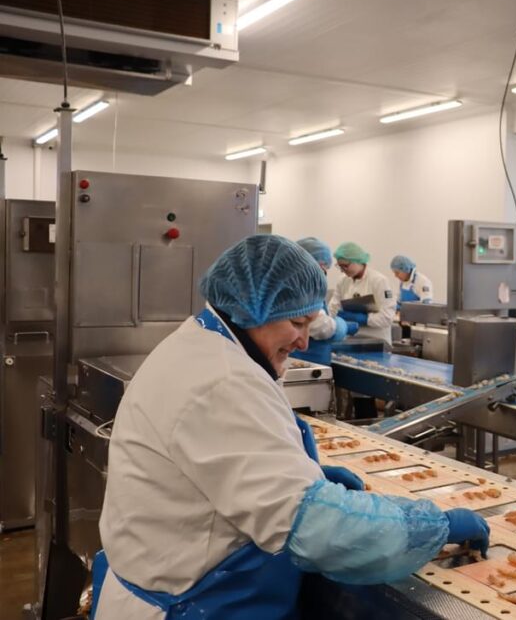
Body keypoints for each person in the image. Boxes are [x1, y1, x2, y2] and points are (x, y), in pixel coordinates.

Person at [92, 235, 488, 619]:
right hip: (190, 603)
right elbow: (319, 530)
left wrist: (300, 476)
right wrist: (432, 527)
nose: (302, 342)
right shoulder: (224, 381)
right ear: (255, 308)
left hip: (171, 582)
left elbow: (227, 471)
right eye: (298, 322)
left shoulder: (200, 345)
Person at [292, 237, 356, 365]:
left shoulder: (297, 283)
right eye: (323, 269)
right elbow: (317, 326)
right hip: (305, 359)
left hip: (306, 359)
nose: (323, 273)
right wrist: (340, 326)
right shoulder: (306, 286)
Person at [329, 242, 397, 345]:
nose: (342, 271)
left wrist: (365, 319)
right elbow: (333, 308)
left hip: (377, 342)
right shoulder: (343, 281)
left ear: (358, 261)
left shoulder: (379, 281)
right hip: (352, 341)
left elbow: (387, 317)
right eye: (340, 267)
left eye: (345, 266)